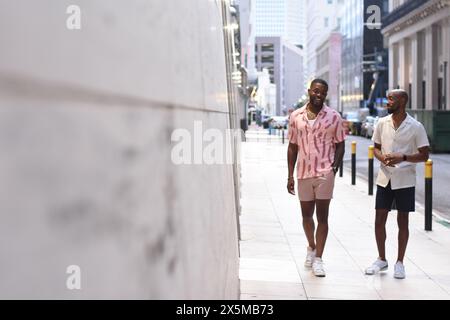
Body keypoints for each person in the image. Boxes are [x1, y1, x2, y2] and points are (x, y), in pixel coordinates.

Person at [365, 89, 429, 279]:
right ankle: (381, 259)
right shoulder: (382, 123)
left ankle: (400, 262)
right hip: (385, 178)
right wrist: (382, 158)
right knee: (379, 219)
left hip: (405, 179)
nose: (388, 102)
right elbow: (375, 147)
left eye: (392, 98)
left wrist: (403, 157)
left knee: (403, 222)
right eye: (388, 98)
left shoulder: (416, 126)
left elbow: (425, 155)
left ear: (403, 100)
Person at [287, 79, 346, 277]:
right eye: (316, 91)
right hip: (303, 172)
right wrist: (289, 175)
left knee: (323, 217)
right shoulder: (296, 116)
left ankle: (319, 258)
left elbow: (340, 144)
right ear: (310, 91)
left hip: (324, 172)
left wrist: (334, 168)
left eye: (323, 93)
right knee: (306, 217)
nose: (319, 95)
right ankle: (311, 247)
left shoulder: (334, 117)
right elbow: (292, 146)